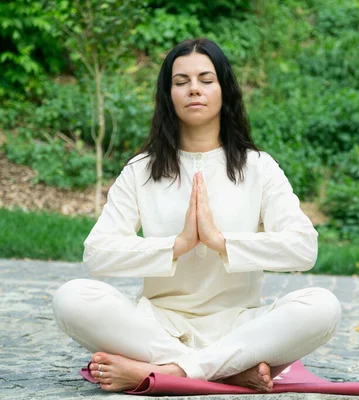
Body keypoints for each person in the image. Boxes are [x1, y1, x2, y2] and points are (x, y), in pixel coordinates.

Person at [52, 38, 341, 393]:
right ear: (168, 94)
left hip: (240, 325)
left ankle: (172, 371)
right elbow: (96, 254)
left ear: (224, 90)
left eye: (206, 80)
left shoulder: (258, 167)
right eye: (181, 81)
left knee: (322, 307)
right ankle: (225, 371)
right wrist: (177, 245)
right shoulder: (142, 170)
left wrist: (222, 243)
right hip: (157, 326)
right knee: (71, 297)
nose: (194, 90)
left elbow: (304, 248)